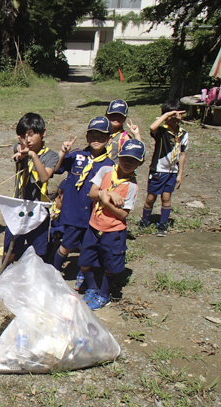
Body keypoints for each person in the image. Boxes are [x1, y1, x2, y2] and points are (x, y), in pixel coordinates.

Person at [78, 139, 146, 310]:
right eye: (125, 158)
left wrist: (107, 202)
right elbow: (92, 193)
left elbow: (123, 214)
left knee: (111, 266)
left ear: (141, 163)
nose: (128, 163)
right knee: (85, 261)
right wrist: (108, 193)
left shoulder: (132, 186)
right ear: (118, 157)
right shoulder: (106, 171)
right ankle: (93, 287)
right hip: (94, 226)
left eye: (134, 160)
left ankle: (104, 295)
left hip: (114, 231)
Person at [52, 117, 115, 291]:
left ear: (109, 139)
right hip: (74, 212)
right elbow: (56, 169)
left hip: (94, 215)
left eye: (101, 136)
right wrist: (63, 152)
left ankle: (84, 275)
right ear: (87, 137)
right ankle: (53, 273)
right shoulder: (76, 155)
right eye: (92, 135)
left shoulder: (110, 165)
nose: (96, 139)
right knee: (67, 245)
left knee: (90, 248)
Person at [1, 113, 59, 264]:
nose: (28, 139)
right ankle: (4, 277)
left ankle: (35, 280)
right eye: (23, 135)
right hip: (18, 207)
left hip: (38, 210)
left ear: (43, 133)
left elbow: (44, 177)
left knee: (38, 252)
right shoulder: (20, 149)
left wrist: (33, 155)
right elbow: (18, 148)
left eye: (32, 134)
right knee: (10, 250)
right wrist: (22, 152)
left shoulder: (51, 156)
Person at [138, 99, 187, 237]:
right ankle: (144, 221)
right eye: (172, 115)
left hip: (172, 172)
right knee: (151, 198)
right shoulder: (162, 131)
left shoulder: (183, 134)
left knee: (166, 198)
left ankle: (162, 225)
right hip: (158, 171)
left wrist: (180, 173)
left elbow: (182, 154)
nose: (176, 118)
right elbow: (152, 127)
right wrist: (167, 116)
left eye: (178, 114)